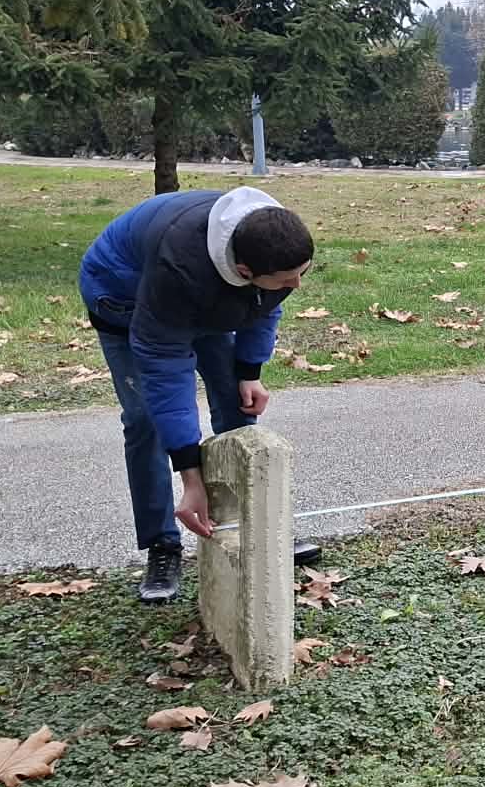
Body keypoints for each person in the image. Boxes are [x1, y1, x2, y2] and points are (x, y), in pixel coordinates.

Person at [80, 186, 320, 603]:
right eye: (288, 278)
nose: (297, 285)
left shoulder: (275, 244)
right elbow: (165, 369)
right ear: (244, 270)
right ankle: (163, 544)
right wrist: (190, 475)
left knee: (234, 399)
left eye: (302, 272)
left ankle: (249, 521)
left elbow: (266, 303)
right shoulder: (180, 272)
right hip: (122, 293)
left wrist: (249, 371)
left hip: (203, 288)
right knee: (147, 419)